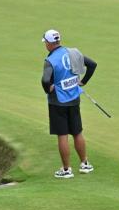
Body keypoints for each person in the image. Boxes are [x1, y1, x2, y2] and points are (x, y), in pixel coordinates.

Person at [41, 29, 96, 179]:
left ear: (49, 43)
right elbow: (92, 65)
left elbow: (45, 80)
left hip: (58, 102)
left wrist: (49, 89)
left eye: (45, 42)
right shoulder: (73, 53)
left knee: (62, 134)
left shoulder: (50, 60)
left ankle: (66, 170)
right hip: (74, 99)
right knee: (77, 132)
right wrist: (83, 82)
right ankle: (85, 164)